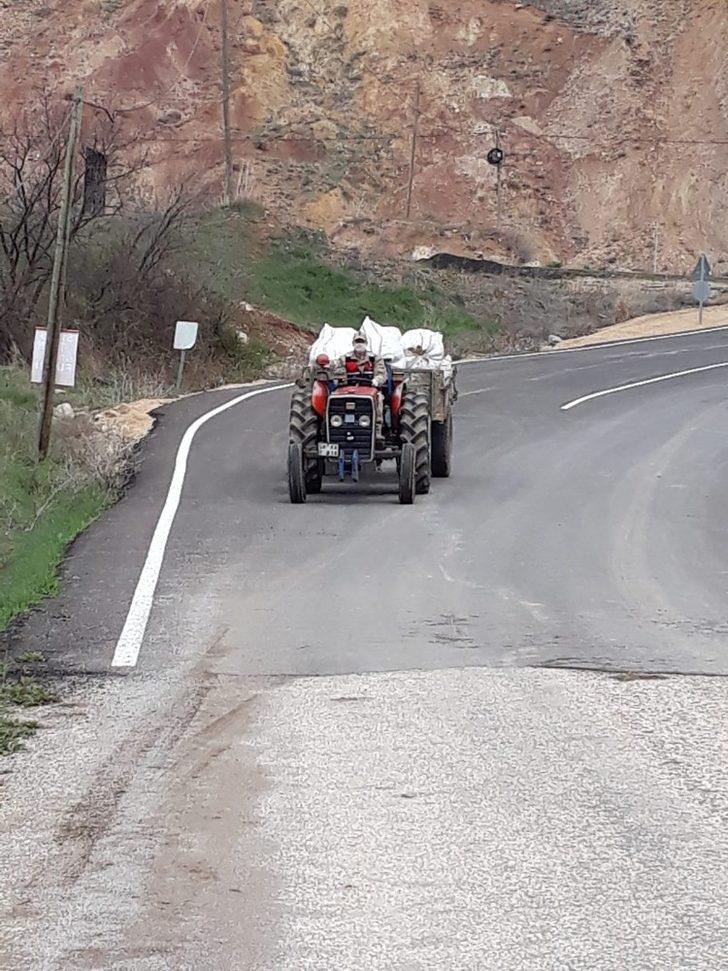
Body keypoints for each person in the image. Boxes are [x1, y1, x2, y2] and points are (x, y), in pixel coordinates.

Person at [335, 333, 387, 440]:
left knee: (379, 399)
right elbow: (338, 375)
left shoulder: (375, 358)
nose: (359, 344)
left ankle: (377, 430)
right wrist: (340, 379)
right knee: (335, 400)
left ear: (366, 343)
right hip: (348, 389)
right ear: (353, 343)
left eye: (361, 342)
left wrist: (376, 381)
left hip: (370, 389)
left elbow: (381, 374)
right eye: (357, 342)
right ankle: (335, 426)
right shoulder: (344, 359)